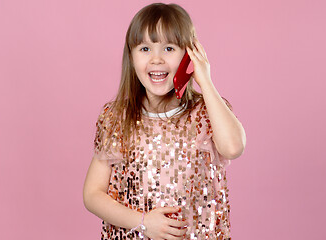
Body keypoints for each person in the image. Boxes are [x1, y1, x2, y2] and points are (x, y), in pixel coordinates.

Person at [83, 3, 246, 240]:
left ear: (189, 54)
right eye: (145, 49)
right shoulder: (117, 117)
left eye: (169, 48)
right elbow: (92, 194)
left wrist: (205, 80)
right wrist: (143, 223)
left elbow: (233, 147)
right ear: (131, 56)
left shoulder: (205, 112)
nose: (157, 59)